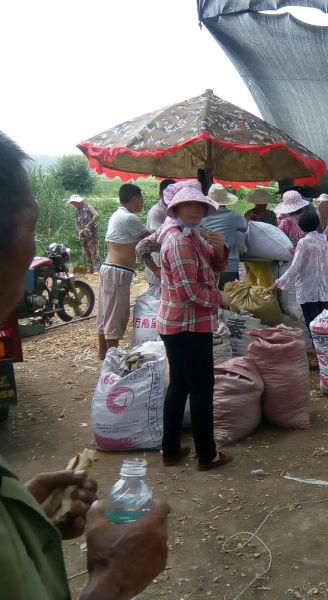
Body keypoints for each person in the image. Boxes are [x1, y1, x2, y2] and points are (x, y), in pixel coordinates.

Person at [0, 130, 171, 600]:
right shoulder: (127, 217)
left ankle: (107, 361)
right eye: (31, 226)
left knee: (109, 323)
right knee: (113, 324)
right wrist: (114, 581)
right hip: (118, 272)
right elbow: (152, 243)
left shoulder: (109, 215)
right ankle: (108, 363)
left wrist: (21, 510)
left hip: (114, 271)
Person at [158, 180, 233, 471]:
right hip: (188, 326)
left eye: (198, 205)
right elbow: (188, 292)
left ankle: (171, 449)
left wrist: (220, 250)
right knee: (201, 390)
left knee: (179, 386)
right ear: (176, 208)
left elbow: (214, 268)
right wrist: (221, 298)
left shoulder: (194, 236)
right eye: (187, 205)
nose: (194, 210)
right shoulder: (178, 241)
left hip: (180, 325)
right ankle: (207, 455)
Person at [97, 183, 150, 359]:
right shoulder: (129, 218)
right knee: (116, 315)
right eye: (141, 199)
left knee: (106, 312)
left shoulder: (118, 215)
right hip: (117, 272)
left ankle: (104, 353)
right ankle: (113, 356)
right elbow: (149, 241)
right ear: (135, 198)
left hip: (110, 269)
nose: (142, 203)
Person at [267, 211, 328, 328]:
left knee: (312, 322)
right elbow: (319, 258)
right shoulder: (323, 239)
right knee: (322, 320)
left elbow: (294, 268)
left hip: (308, 288)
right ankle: (323, 343)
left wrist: (276, 285)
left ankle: (316, 343)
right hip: (323, 286)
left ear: (301, 226)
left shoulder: (303, 242)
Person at [202, 183, 248, 290]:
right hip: (230, 265)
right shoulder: (235, 216)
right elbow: (245, 229)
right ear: (226, 201)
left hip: (208, 265)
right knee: (229, 300)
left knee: (211, 301)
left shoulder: (202, 216)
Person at [142, 179, 176, 287]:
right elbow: (158, 237)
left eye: (174, 194)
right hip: (157, 264)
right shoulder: (156, 212)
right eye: (169, 194)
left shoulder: (175, 209)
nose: (173, 197)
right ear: (161, 194)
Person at [67, 194, 100, 274]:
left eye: (74, 202)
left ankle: (97, 269)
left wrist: (89, 224)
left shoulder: (88, 207)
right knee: (86, 251)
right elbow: (77, 223)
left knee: (93, 250)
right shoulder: (77, 211)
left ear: (79, 201)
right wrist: (79, 231)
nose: (73, 204)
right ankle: (90, 269)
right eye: (72, 203)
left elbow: (96, 215)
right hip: (83, 234)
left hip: (92, 233)